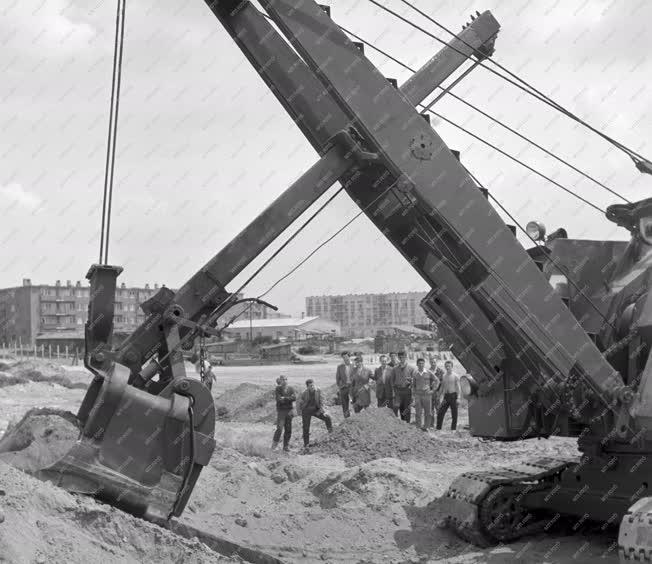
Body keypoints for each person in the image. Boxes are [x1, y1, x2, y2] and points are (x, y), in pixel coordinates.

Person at [297, 378, 333, 451]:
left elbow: (322, 401)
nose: (312, 387)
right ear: (307, 387)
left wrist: (322, 411)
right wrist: (299, 412)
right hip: (306, 410)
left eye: (313, 385)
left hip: (316, 410)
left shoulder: (318, 390)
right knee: (306, 428)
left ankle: (332, 435)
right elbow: (298, 402)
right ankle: (306, 445)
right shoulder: (304, 393)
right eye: (310, 386)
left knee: (328, 418)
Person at [389, 351, 417, 423]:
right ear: (398, 358)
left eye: (403, 357)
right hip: (398, 390)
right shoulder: (394, 369)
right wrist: (393, 390)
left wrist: (412, 388)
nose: (401, 359)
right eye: (400, 357)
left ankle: (407, 423)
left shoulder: (411, 368)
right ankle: (400, 422)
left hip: (407, 390)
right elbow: (392, 380)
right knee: (398, 406)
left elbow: (414, 381)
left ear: (406, 357)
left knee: (406, 408)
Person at [412, 358, 438, 430]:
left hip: (427, 394)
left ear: (424, 364)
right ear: (417, 364)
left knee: (428, 412)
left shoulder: (428, 372)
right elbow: (413, 385)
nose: (421, 365)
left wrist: (433, 390)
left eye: (422, 363)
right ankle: (418, 427)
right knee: (418, 412)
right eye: (419, 363)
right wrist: (414, 394)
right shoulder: (415, 373)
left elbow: (437, 380)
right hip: (418, 395)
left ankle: (426, 427)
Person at [272, 375, 296, 452]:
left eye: (286, 379)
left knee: (288, 429)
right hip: (281, 411)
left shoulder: (291, 388)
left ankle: (286, 447)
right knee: (279, 428)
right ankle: (274, 446)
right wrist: (289, 399)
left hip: (289, 411)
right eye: (283, 379)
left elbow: (294, 398)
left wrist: (285, 398)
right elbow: (279, 400)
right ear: (280, 381)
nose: (284, 381)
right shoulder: (278, 388)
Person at [436, 360, 462, 430]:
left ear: (452, 367)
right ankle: (438, 428)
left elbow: (458, 388)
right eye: (446, 366)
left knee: (454, 414)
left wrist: (458, 398)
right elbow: (442, 387)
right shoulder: (444, 376)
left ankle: (453, 429)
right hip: (446, 397)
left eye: (449, 366)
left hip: (453, 396)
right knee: (440, 412)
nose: (447, 367)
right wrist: (438, 396)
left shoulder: (456, 376)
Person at [335, 351, 353, 418]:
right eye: (343, 357)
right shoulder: (340, 367)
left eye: (346, 357)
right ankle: (347, 418)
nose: (345, 358)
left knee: (356, 403)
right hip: (344, 387)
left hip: (353, 387)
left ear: (349, 356)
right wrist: (341, 386)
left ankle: (357, 418)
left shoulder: (354, 365)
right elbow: (338, 378)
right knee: (345, 405)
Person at [429, 357, 444, 428]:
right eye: (431, 362)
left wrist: (440, 393)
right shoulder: (428, 371)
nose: (433, 364)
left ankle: (439, 425)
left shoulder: (441, 372)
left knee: (438, 409)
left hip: (438, 393)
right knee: (430, 409)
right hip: (430, 393)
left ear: (436, 362)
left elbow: (443, 383)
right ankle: (431, 424)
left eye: (434, 362)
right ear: (429, 362)